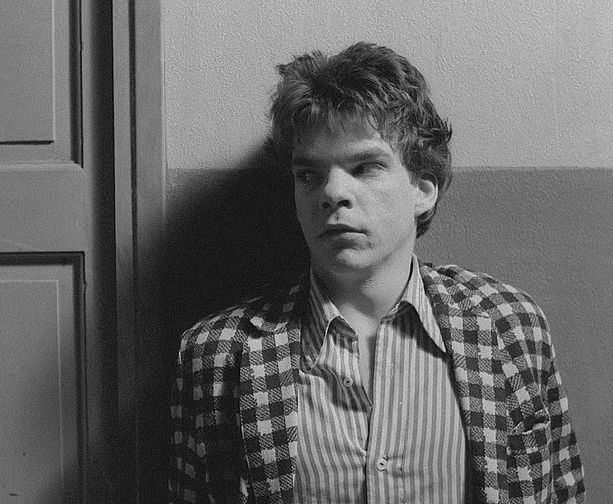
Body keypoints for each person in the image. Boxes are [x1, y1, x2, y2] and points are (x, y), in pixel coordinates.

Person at [169, 42, 585, 503]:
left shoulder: (509, 327)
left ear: (422, 189)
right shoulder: (219, 354)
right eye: (308, 174)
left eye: (365, 167)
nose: (332, 192)